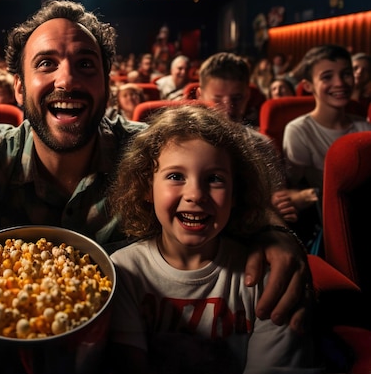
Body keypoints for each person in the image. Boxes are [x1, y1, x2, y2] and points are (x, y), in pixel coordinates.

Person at [0, 0, 309, 374]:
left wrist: (277, 237)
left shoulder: (153, 158)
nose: (67, 79)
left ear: (107, 84)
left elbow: (229, 202)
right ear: (17, 87)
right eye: (46, 64)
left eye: (85, 64)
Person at [108, 104, 321, 374]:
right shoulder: (123, 272)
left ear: (236, 194)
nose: (195, 194)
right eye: (175, 176)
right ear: (146, 188)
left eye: (215, 179)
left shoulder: (264, 276)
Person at [195, 52, 298, 225]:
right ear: (200, 96)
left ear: (247, 95)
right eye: (218, 99)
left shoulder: (262, 145)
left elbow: (277, 200)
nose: (228, 108)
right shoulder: (184, 144)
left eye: (237, 98)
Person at [283, 44, 371, 245]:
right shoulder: (299, 130)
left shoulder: (364, 126)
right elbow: (292, 190)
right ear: (308, 86)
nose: (339, 83)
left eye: (346, 74)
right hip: (331, 222)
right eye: (327, 77)